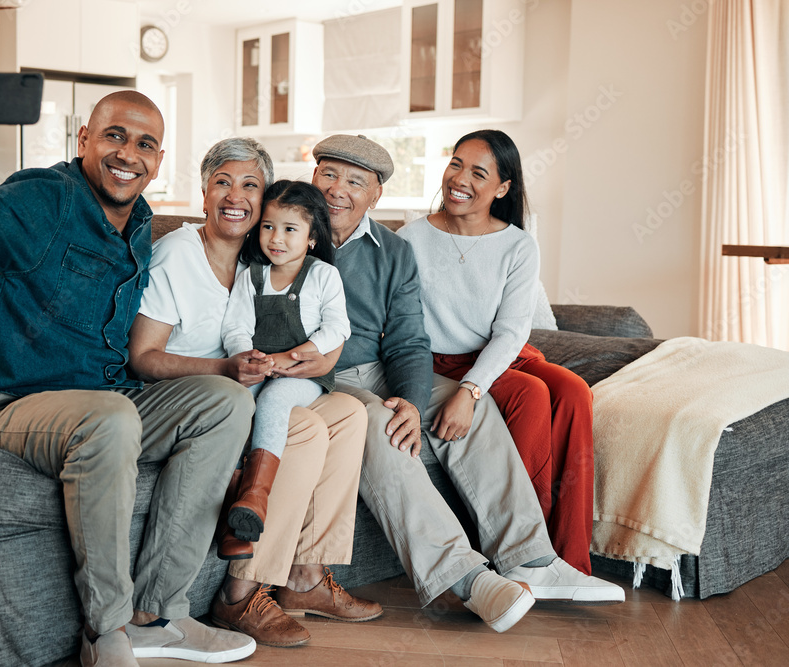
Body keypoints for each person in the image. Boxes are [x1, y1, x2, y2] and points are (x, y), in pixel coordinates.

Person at [0, 63, 256, 667]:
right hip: (18, 405)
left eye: (145, 144)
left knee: (226, 401)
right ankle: (106, 631)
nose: (128, 153)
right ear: (84, 139)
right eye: (114, 135)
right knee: (109, 417)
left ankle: (161, 616)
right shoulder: (41, 200)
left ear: (159, 161)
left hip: (112, 398)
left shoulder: (139, 222)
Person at [279, 133, 623, 634]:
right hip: (320, 376)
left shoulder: (392, 248)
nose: (337, 190)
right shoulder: (283, 232)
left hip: (380, 366)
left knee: (474, 408)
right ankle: (464, 578)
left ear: (376, 195)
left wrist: (415, 402)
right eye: (328, 174)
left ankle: (529, 559)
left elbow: (407, 341)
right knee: (377, 423)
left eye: (355, 181)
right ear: (313, 178)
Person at [127, 138, 379, 649]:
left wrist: (308, 358)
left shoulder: (260, 257)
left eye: (249, 186)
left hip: (267, 383)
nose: (235, 196)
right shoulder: (178, 252)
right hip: (201, 395)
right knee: (303, 425)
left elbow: (328, 335)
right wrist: (228, 368)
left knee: (351, 412)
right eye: (222, 182)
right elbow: (144, 357)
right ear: (203, 194)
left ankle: (305, 576)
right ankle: (241, 589)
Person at [397, 129, 595, 573]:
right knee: (531, 395)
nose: (459, 178)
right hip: (437, 359)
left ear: (502, 188)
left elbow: (510, 331)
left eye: (478, 172)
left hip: (497, 353)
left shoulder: (518, 245)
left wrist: (469, 392)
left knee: (575, 391)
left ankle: (573, 560)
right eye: (455, 164)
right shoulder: (411, 238)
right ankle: (524, 554)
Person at [219, 179, 350, 551]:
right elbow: (236, 326)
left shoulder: (323, 275)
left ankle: (256, 497)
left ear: (311, 237)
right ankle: (236, 510)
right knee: (238, 402)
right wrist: (248, 356)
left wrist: (297, 354)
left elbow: (338, 327)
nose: (276, 238)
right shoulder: (252, 276)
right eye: (268, 226)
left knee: (274, 402)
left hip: (304, 373)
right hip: (260, 366)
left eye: (290, 229)